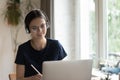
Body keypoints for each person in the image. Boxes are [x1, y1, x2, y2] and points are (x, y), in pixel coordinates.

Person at [15, 9, 67, 80]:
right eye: (34, 28)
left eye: (42, 26)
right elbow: (19, 79)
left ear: (47, 24)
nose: (40, 31)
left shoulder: (56, 45)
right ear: (28, 29)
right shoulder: (23, 49)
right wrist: (32, 78)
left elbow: (64, 73)